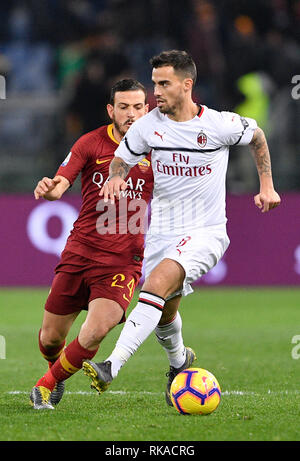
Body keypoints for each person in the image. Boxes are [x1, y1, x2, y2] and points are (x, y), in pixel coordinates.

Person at [82, 50, 281, 406]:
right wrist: (115, 178)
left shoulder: (218, 124)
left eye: (163, 84)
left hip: (206, 231)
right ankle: (179, 362)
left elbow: (257, 136)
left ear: (187, 85)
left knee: (156, 285)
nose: (155, 92)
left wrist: (266, 184)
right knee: (164, 309)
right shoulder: (148, 126)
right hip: (162, 231)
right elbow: (121, 159)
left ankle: (111, 364)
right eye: (154, 82)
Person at [30, 79, 154, 410]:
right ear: (111, 110)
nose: (132, 114)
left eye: (138, 106)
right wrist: (49, 188)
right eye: (124, 107)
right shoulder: (91, 143)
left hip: (123, 260)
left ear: (148, 108)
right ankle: (55, 369)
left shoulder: (159, 149)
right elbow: (60, 184)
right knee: (50, 339)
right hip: (81, 251)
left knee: (97, 328)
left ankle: (46, 385)